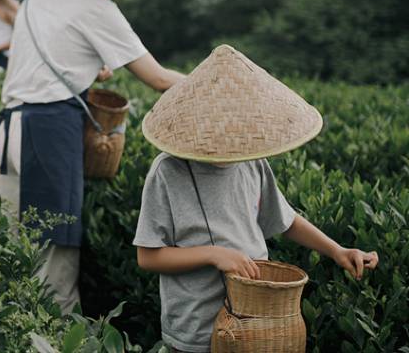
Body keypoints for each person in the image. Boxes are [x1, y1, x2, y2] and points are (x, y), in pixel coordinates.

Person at [134, 44, 380, 352]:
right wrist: (214, 254)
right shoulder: (168, 172)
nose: (229, 147)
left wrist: (337, 250)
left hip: (257, 321)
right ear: (197, 124)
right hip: (196, 329)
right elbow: (148, 256)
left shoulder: (252, 161)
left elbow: (285, 220)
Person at [0, 0, 185, 315]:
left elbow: (47, 62)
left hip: (9, 131)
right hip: (47, 135)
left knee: (19, 256)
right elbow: (159, 78)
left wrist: (87, 68)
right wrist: (218, 87)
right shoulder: (96, 7)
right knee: (56, 271)